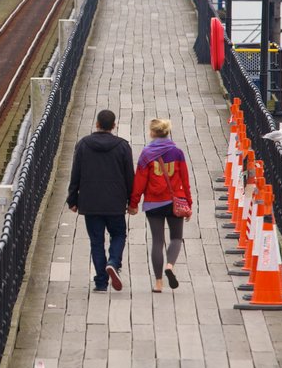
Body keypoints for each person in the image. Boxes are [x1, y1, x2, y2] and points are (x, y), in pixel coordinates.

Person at [67, 109, 135, 292]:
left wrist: (72, 199)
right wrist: (132, 201)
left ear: (97, 124)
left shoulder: (83, 145)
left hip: (90, 203)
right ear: (114, 126)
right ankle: (113, 261)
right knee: (119, 235)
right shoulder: (122, 146)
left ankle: (101, 282)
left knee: (96, 242)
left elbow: (76, 175)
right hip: (115, 202)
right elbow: (130, 176)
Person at [130, 118, 193, 292]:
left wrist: (133, 203)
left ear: (152, 133)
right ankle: (170, 266)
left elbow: (140, 181)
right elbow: (185, 180)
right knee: (176, 238)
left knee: (157, 241)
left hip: (153, 203)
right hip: (175, 201)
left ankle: (158, 283)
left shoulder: (146, 154)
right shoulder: (177, 153)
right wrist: (189, 203)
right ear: (167, 132)